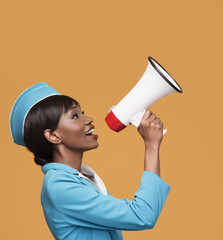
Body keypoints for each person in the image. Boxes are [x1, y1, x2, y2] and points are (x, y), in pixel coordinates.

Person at [10, 82, 171, 240]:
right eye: (75, 116)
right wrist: (151, 145)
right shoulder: (60, 185)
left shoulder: (81, 177)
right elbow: (142, 215)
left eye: (82, 113)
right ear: (53, 136)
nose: (88, 119)